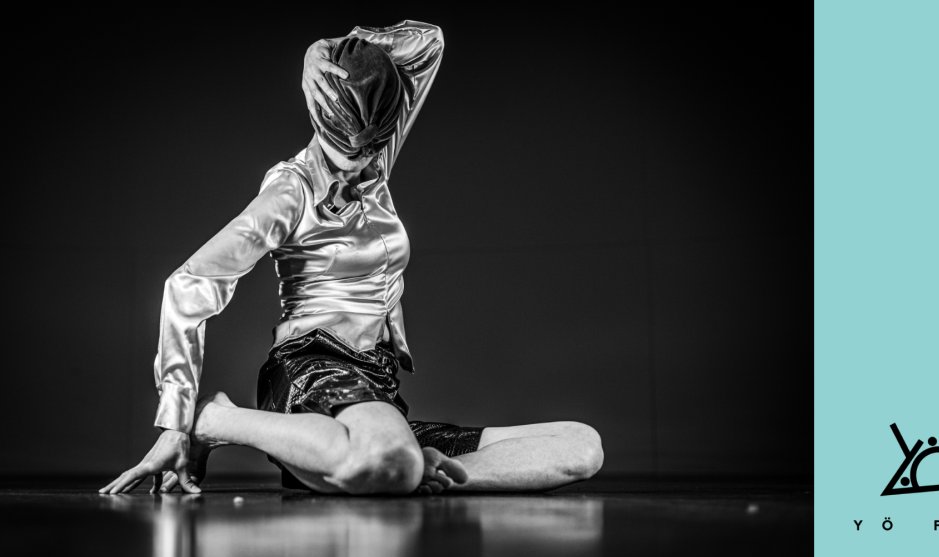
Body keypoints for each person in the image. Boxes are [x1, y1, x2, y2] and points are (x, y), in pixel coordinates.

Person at [100, 21, 604, 496]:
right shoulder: (291, 191)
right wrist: (175, 418)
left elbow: (428, 43)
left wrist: (344, 46)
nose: (357, 165)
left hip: (374, 385)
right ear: (320, 120)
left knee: (581, 446)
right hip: (311, 370)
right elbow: (188, 283)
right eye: (344, 150)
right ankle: (216, 420)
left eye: (368, 152)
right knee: (389, 459)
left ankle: (411, 470)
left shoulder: (375, 159)